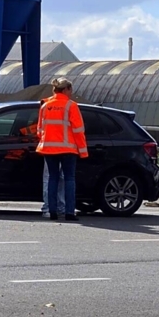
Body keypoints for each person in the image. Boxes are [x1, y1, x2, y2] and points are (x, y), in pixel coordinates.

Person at [37, 78, 88, 221]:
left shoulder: (45, 105)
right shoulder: (71, 106)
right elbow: (78, 131)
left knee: (52, 178)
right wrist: (83, 151)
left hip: (48, 149)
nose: (71, 93)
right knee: (69, 179)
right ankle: (69, 212)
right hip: (68, 149)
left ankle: (52, 211)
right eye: (71, 90)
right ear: (66, 90)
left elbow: (40, 129)